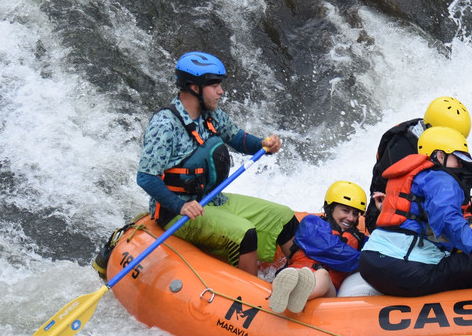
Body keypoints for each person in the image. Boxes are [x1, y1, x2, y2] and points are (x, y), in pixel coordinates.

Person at [136, 51, 297, 278]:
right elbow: (146, 177)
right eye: (214, 85)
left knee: (284, 217)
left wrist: (263, 144)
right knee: (245, 234)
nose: (221, 91)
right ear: (193, 87)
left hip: (212, 200)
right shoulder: (164, 124)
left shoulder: (211, 116)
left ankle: (302, 277)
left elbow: (238, 139)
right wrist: (180, 206)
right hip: (178, 212)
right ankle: (251, 297)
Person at [358, 125, 472, 297]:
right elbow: (448, 219)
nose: (461, 165)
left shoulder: (405, 175)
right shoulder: (442, 178)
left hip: (369, 265)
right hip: (405, 271)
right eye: (458, 159)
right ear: (440, 155)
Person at [365, 96, 472, 231]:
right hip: (392, 215)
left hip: (439, 203)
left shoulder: (441, 142)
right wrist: (464, 201)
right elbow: (413, 196)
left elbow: (470, 169)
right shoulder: (401, 147)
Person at [269, 181, 368, 312]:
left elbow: (376, 258)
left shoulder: (361, 241)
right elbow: (327, 249)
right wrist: (359, 259)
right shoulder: (311, 222)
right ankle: (282, 293)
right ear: (330, 208)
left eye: (355, 214)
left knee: (322, 275)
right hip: (296, 273)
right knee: (291, 274)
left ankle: (297, 296)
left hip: (327, 292)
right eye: (345, 210)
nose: (351, 218)